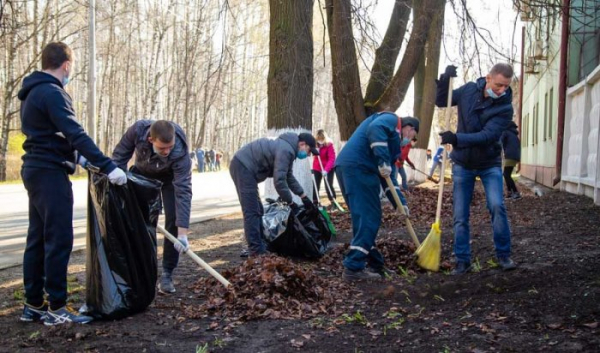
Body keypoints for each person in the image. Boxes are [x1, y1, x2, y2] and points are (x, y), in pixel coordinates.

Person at [18, 42, 127, 325]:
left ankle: (33, 304)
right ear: (66, 65)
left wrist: (76, 157)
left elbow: (49, 135)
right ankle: (56, 307)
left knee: (38, 238)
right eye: (71, 67)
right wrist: (108, 165)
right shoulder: (53, 93)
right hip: (50, 174)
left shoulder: (31, 93)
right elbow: (74, 133)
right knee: (58, 239)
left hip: (35, 169)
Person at [436, 63, 517, 274]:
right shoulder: (468, 90)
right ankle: (462, 260)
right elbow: (442, 101)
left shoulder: (505, 108)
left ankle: (503, 255)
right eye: (499, 85)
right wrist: (445, 79)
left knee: (497, 206)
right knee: (460, 214)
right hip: (463, 163)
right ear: (488, 78)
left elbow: (487, 136)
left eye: (506, 86)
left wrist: (456, 138)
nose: (502, 90)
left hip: (489, 163)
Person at [335, 112, 419, 281]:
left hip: (349, 167)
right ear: (409, 128)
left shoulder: (393, 146)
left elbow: (390, 181)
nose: (409, 140)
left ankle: (376, 264)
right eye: (412, 136)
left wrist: (400, 205)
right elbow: (375, 128)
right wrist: (382, 161)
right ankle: (353, 267)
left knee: (363, 219)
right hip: (359, 168)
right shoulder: (391, 120)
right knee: (369, 217)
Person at [112, 119, 193, 294]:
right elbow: (120, 155)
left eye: (169, 147)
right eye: (162, 148)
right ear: (150, 140)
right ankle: (140, 270)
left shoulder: (179, 152)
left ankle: (167, 274)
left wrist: (183, 233)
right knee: (138, 219)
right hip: (143, 174)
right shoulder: (137, 131)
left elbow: (183, 191)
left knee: (173, 219)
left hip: (170, 180)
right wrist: (117, 176)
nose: (167, 151)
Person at [230, 132, 319, 257]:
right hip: (243, 166)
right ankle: (256, 250)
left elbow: (288, 176)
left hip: (246, 168)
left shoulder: (289, 148)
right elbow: (279, 181)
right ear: (302, 144)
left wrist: (303, 196)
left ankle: (260, 245)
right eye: (309, 151)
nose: (309, 155)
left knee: (258, 209)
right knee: (251, 210)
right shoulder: (286, 150)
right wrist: (291, 202)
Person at [312, 129, 337, 206]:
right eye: (319, 139)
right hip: (317, 167)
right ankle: (315, 202)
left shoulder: (329, 145)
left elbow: (332, 158)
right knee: (316, 185)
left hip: (328, 168)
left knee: (328, 184)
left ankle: (333, 201)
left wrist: (326, 170)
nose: (320, 141)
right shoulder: (315, 145)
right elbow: (310, 154)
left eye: (322, 139)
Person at [501, 121, 521, 200]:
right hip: (515, 156)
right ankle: (509, 192)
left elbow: (500, 142)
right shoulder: (515, 135)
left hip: (509, 155)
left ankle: (515, 192)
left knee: (506, 174)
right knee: (506, 174)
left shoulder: (506, 132)